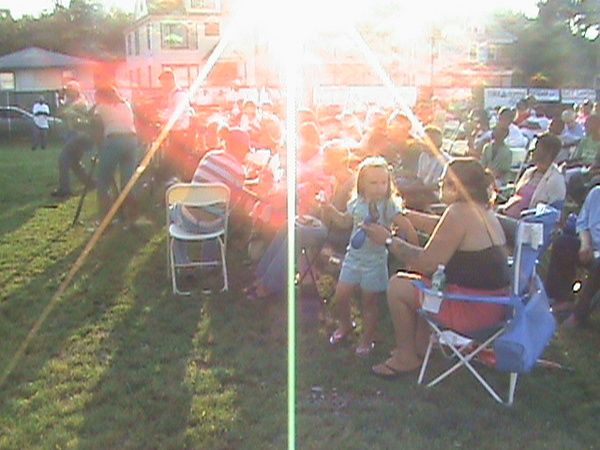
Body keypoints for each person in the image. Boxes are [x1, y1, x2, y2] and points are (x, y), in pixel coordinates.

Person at [363, 158, 510, 376]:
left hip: (472, 310)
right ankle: (421, 346)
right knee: (423, 282)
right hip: (494, 306)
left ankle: (406, 357)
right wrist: (402, 214)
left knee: (399, 286)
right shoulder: (482, 211)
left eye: (444, 181)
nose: (440, 185)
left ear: (456, 186)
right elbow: (438, 226)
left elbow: (427, 263)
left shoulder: (458, 212)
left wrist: (388, 240)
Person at [322, 156, 418, 357]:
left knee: (369, 303)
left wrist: (413, 256)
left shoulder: (388, 206)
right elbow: (344, 222)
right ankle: (346, 325)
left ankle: (367, 338)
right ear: (362, 184)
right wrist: (330, 210)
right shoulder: (357, 203)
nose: (379, 187)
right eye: (373, 183)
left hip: (375, 261)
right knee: (341, 295)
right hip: (353, 257)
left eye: (383, 182)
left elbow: (408, 228)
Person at [547, 186, 600, 327]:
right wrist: (585, 244)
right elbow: (583, 224)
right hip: (591, 246)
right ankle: (561, 299)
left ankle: (578, 315)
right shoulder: (596, 194)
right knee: (562, 244)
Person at [92, 85, 139, 220]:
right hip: (131, 141)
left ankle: (105, 217)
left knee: (103, 181)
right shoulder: (126, 105)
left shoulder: (101, 107)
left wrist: (99, 145)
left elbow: (95, 126)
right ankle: (131, 215)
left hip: (113, 140)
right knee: (127, 182)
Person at [497, 133, 565, 219]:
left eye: (537, 147)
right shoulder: (529, 172)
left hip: (527, 223)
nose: (533, 150)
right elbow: (516, 194)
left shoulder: (556, 180)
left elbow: (552, 214)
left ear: (549, 153)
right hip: (505, 214)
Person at [52, 80, 95, 197]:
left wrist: (61, 100)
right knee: (75, 163)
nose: (66, 93)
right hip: (76, 134)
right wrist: (60, 100)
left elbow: (64, 112)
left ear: (75, 91)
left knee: (63, 159)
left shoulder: (80, 103)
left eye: (68, 91)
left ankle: (64, 189)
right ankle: (91, 183)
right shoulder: (71, 102)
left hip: (80, 135)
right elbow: (60, 113)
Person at [157, 69, 196, 181]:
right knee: (172, 162)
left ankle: (174, 182)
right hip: (176, 134)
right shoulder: (173, 95)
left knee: (174, 163)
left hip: (180, 134)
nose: (163, 86)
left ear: (170, 81)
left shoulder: (179, 95)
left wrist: (161, 119)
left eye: (164, 83)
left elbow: (177, 115)